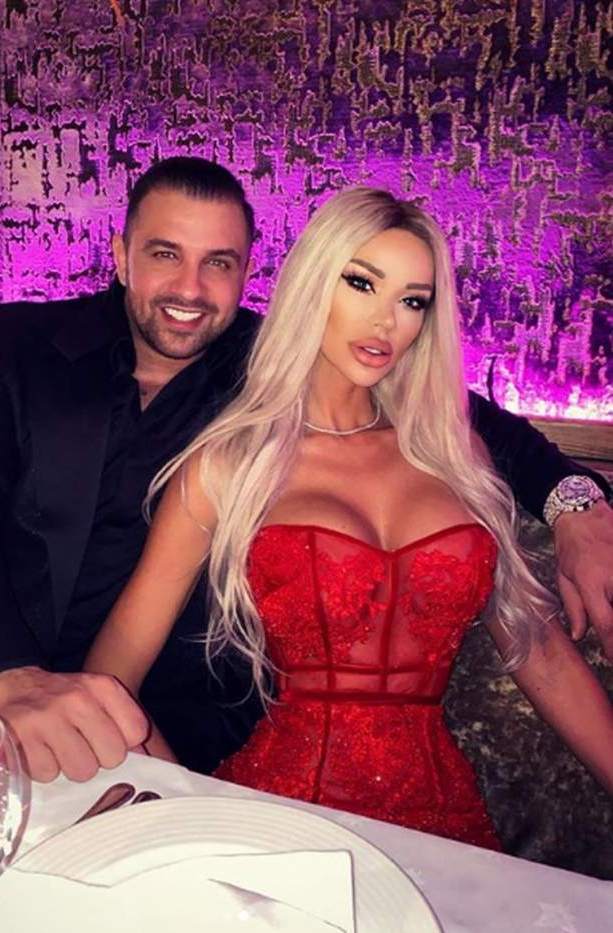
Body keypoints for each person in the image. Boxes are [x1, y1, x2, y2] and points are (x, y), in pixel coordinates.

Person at [0, 159, 611, 785]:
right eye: (165, 254)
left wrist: (574, 502)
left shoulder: (274, 362)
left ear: (249, 274)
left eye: (219, 262)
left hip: (182, 738)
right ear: (122, 256)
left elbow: (463, 417)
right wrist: (3, 673)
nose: (190, 287)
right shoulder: (10, 349)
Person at [84, 187, 613, 847]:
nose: (386, 321)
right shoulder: (230, 463)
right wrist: (191, 810)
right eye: (362, 283)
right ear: (314, 284)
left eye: (412, 300)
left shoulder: (453, 451)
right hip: (282, 817)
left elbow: (538, 647)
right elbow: (110, 676)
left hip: (444, 823)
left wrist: (577, 503)